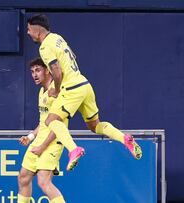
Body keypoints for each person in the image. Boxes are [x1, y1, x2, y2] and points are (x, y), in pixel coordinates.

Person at [26, 14, 142, 171]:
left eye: (28, 29)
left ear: (36, 29)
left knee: (51, 120)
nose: (27, 32)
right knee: (95, 126)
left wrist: (57, 89)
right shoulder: (57, 38)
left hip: (71, 87)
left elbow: (56, 71)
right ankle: (124, 138)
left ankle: (73, 149)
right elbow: (73, 56)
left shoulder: (45, 47)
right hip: (84, 83)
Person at [17, 58, 67, 203]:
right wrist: (31, 136)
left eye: (38, 70)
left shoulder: (57, 92)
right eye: (32, 72)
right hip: (39, 141)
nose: (34, 75)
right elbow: (43, 122)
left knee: (43, 182)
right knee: (23, 177)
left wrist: (43, 147)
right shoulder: (42, 92)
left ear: (47, 70)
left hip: (53, 141)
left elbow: (58, 125)